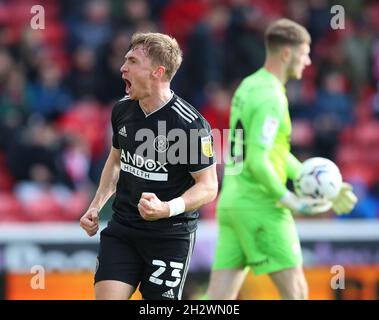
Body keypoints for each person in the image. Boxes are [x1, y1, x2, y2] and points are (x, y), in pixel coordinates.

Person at [204, 19, 358, 300]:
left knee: (217, 300)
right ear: (287, 53)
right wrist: (291, 200)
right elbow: (258, 162)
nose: (308, 61)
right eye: (305, 53)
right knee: (297, 294)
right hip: (261, 205)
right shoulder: (272, 97)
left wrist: (323, 185)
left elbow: (266, 151)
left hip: (232, 203)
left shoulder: (249, 86)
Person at [79, 32, 218, 300]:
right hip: (123, 230)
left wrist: (167, 208)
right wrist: (95, 206)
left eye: (132, 61)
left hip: (169, 238)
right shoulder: (122, 110)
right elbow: (116, 160)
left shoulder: (190, 125)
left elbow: (208, 186)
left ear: (158, 71)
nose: (122, 68)